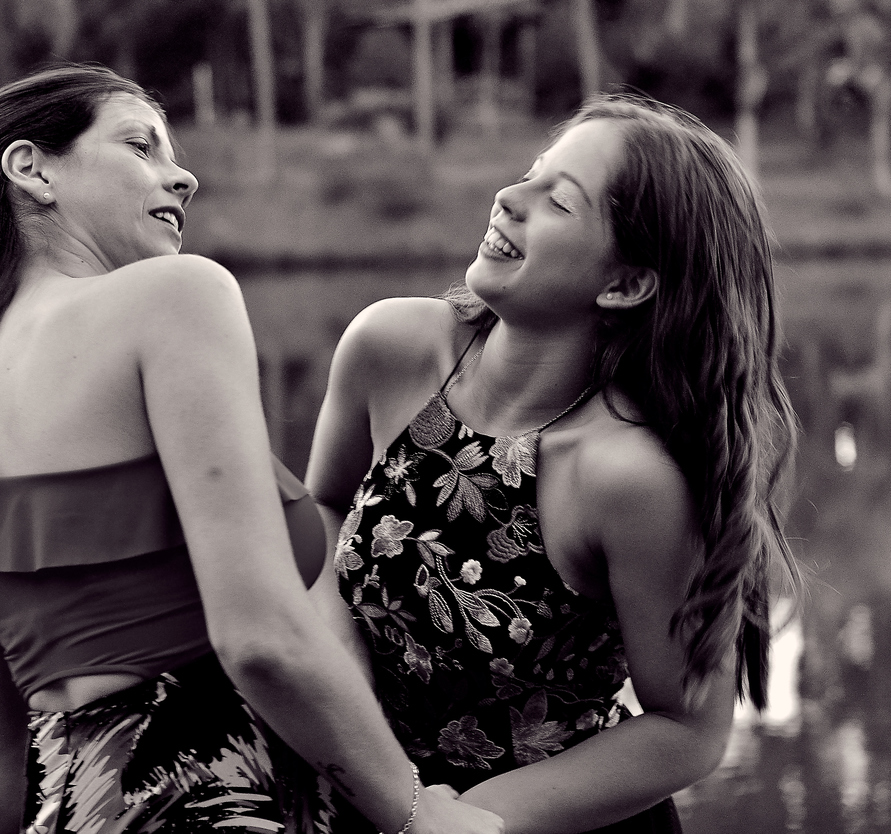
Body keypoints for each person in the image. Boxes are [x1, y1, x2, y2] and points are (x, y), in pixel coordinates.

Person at [0, 65, 505, 834]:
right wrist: (417, 813)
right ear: (31, 169)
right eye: (141, 146)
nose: (185, 177)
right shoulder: (177, 297)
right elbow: (261, 640)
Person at [305, 92, 800, 833]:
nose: (509, 197)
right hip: (360, 796)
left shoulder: (629, 478)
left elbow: (687, 729)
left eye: (558, 201)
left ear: (625, 283)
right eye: (530, 173)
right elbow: (321, 508)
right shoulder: (390, 346)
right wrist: (335, 656)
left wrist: (461, 822)